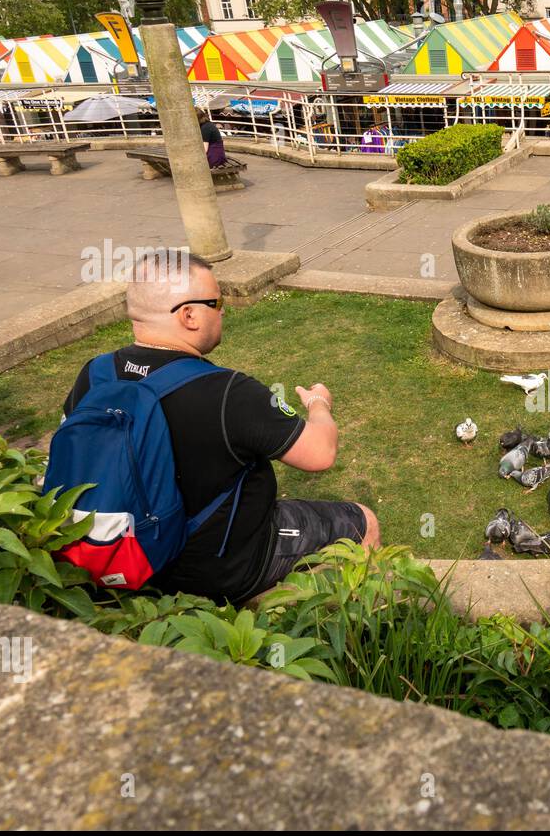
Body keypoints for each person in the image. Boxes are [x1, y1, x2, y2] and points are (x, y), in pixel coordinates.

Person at [59, 250, 380, 603]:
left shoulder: (94, 374)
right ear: (190, 315)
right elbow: (321, 453)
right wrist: (319, 404)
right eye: (217, 301)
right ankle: (360, 628)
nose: (223, 310)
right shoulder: (229, 392)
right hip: (220, 569)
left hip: (126, 556)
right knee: (362, 520)